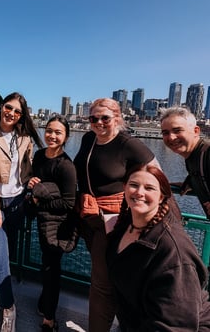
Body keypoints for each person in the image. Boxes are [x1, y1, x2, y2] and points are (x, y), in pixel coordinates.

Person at [73, 97, 158, 332]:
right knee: (110, 276)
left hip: (113, 219)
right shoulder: (88, 139)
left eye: (105, 118)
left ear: (117, 118)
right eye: (93, 118)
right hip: (88, 216)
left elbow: (156, 178)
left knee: (101, 283)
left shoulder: (128, 144)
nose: (99, 123)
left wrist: (129, 201)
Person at [107, 164, 210, 331]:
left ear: (162, 196)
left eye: (149, 188)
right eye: (134, 185)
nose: (139, 192)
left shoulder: (173, 251)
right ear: (124, 188)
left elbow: (176, 324)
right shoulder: (123, 227)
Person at [0, 92, 43, 332]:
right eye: (8, 108)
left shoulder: (24, 137)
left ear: (21, 115)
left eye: (17, 111)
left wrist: (32, 181)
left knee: (8, 253)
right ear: (1, 107)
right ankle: (9, 308)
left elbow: (28, 166)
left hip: (17, 203)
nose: (11, 113)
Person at [27, 116, 77, 332]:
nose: (52, 136)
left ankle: (49, 319)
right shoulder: (38, 156)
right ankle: (44, 300)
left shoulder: (66, 166)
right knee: (46, 265)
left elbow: (68, 203)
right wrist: (31, 184)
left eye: (58, 132)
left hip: (58, 225)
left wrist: (38, 200)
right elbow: (34, 183)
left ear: (66, 136)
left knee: (51, 269)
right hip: (43, 220)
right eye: (49, 130)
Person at [160, 106, 210, 218]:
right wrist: (191, 183)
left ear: (196, 131)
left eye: (177, 130)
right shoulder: (192, 157)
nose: (171, 137)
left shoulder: (207, 153)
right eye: (165, 133)